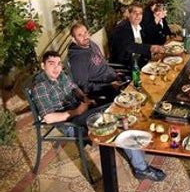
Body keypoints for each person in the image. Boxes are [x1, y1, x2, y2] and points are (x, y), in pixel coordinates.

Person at [32, 51, 166, 181]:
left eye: (59, 64)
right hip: (71, 123)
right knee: (119, 122)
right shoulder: (41, 87)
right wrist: (78, 111)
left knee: (122, 110)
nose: (57, 68)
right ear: (43, 66)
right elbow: (48, 118)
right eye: (51, 64)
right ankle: (141, 169)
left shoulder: (61, 76)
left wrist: (85, 99)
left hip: (83, 112)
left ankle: (136, 148)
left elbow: (75, 88)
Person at [68, 23, 129, 105]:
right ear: (74, 39)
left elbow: (103, 64)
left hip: (114, 78)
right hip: (104, 89)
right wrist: (109, 85)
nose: (85, 37)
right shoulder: (77, 59)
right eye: (80, 35)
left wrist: (116, 72)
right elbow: (84, 86)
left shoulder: (91, 44)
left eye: (85, 32)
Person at [110, 2, 165, 70]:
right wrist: (150, 48)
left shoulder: (139, 26)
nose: (138, 15)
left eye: (140, 13)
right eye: (135, 12)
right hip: (126, 65)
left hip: (140, 61)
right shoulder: (122, 28)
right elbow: (129, 46)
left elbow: (148, 38)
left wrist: (157, 47)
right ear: (129, 14)